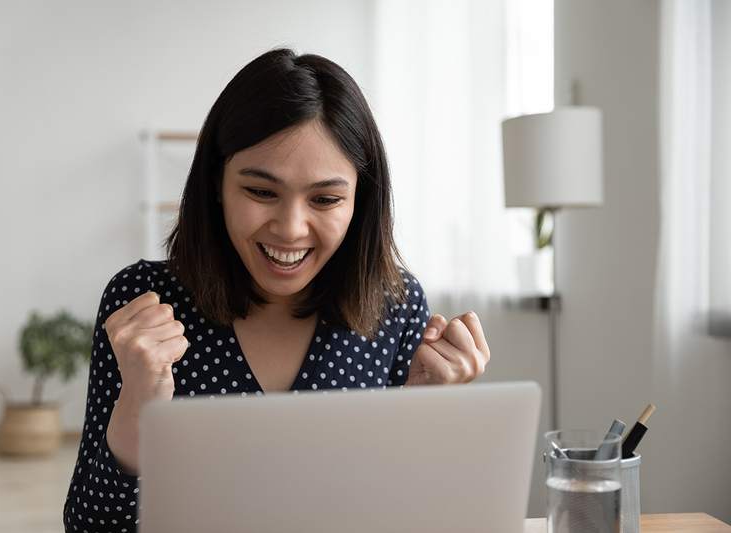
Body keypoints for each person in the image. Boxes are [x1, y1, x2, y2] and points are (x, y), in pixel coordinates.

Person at [63, 47, 491, 533]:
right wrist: (139, 403)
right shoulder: (141, 300)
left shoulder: (395, 305)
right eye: (261, 192)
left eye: (325, 199)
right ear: (216, 184)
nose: (290, 229)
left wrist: (429, 412)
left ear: (360, 201)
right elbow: (90, 526)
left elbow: (408, 512)